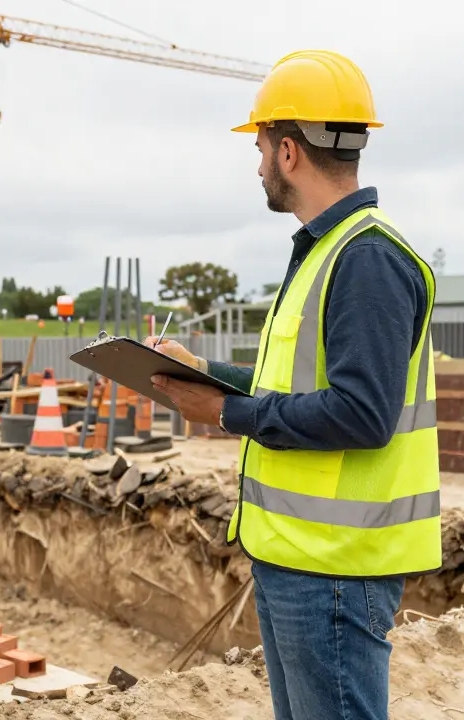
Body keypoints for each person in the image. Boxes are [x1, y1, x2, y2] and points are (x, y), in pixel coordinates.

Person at [145, 50, 440, 720]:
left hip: (335, 569)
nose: (257, 166)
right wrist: (203, 373)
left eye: (258, 149)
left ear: (287, 151)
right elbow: (291, 385)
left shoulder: (365, 259)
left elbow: (362, 414)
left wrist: (225, 414)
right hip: (300, 561)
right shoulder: (326, 252)